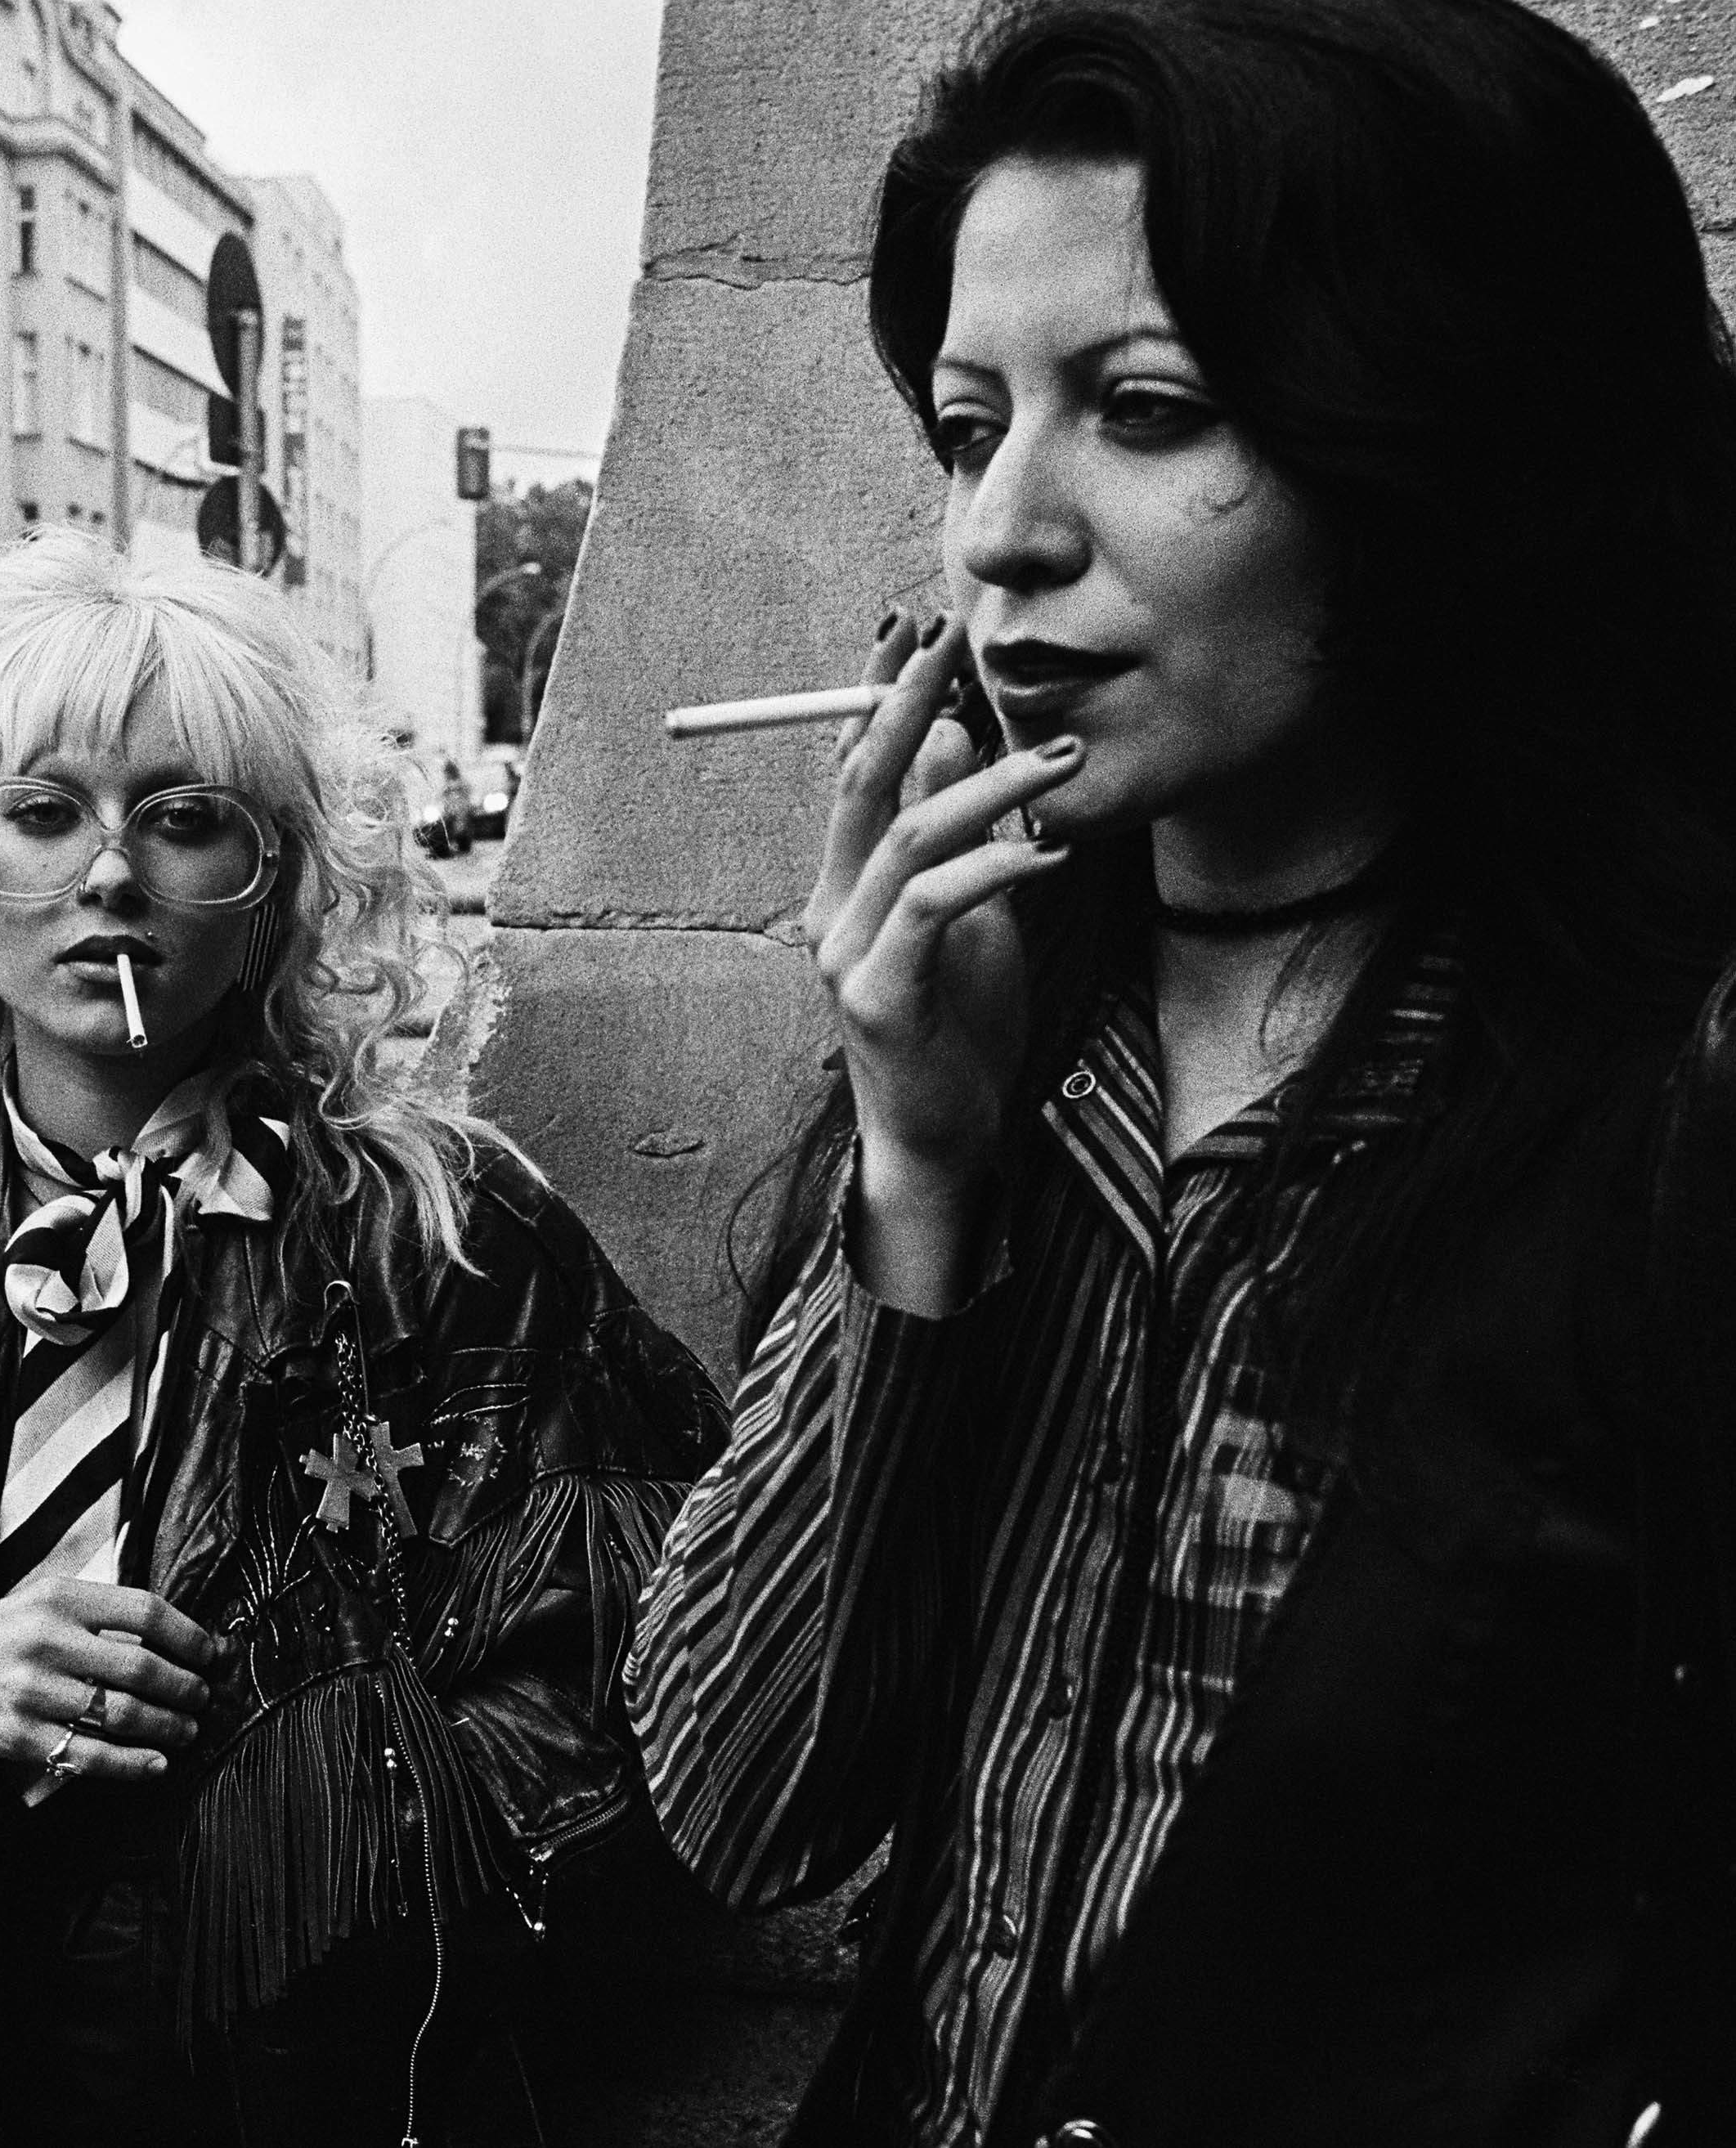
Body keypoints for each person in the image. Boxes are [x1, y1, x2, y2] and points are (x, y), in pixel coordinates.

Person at [623, 3, 1736, 2142]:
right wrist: (912, 1176)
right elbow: (739, 1796)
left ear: (1434, 451)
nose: (998, 534)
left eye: (1140, 411)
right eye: (964, 431)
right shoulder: (1000, 1041)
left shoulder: (1654, 1103)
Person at [0, 531, 725, 2147]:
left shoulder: (452, 1241)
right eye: (42, 812)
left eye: (182, 815)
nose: (110, 874)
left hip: (329, 2081)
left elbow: (648, 1643)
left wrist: (325, 1836)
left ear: (271, 875)